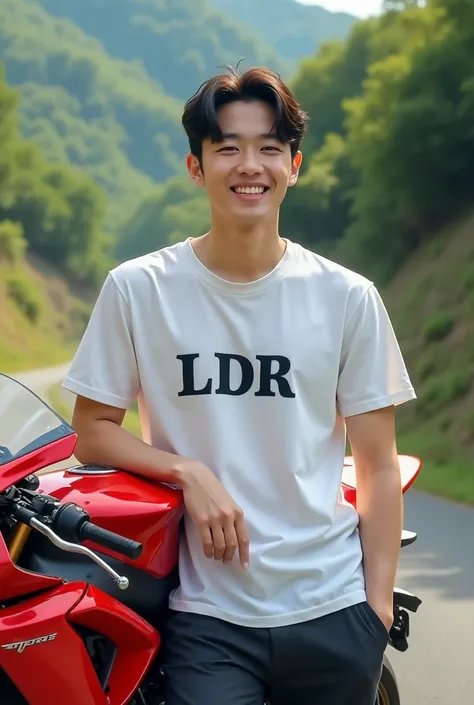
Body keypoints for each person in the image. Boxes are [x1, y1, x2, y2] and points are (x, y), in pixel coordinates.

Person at [63, 65, 416, 705]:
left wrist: (377, 607)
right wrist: (187, 472)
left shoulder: (347, 297)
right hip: (209, 615)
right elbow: (92, 431)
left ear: (294, 165)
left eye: (268, 148)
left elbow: (378, 464)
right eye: (228, 147)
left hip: (334, 609)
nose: (249, 165)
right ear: (197, 167)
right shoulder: (139, 289)